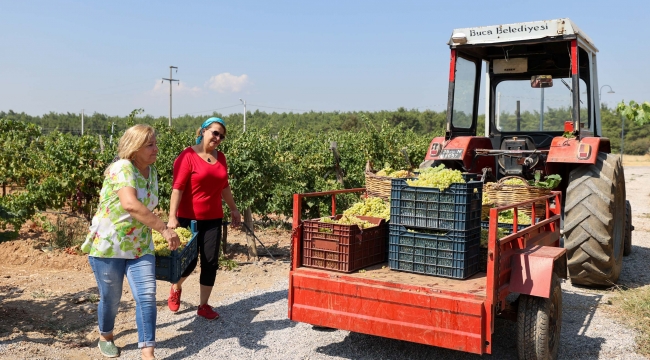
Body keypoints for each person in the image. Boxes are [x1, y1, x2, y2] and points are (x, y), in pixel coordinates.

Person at [81, 124, 180, 360]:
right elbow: (130, 204)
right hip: (109, 245)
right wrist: (164, 229)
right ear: (135, 148)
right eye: (150, 145)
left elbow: (146, 207)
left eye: (156, 143)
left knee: (146, 296)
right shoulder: (123, 167)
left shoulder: (152, 171)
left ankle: (147, 353)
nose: (156, 149)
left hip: (139, 245)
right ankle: (106, 337)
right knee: (111, 298)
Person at [166, 117, 241, 320]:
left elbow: (224, 186)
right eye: (215, 133)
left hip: (213, 218)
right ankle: (176, 287)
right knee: (188, 263)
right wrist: (172, 217)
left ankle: (203, 305)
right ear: (204, 131)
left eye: (221, 136)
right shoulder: (187, 156)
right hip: (189, 219)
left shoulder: (221, 158)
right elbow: (177, 188)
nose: (218, 138)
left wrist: (234, 209)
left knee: (210, 262)